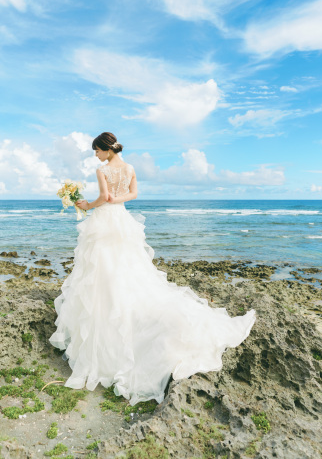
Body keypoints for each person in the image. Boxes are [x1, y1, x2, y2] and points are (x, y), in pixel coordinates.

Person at [49, 132, 256, 405]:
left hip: (104, 220)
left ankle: (110, 321)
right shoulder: (131, 168)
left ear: (105, 149)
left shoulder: (103, 170)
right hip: (121, 218)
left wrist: (86, 204)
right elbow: (133, 194)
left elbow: (101, 197)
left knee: (103, 270)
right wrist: (115, 200)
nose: (96, 156)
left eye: (96, 151)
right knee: (128, 268)